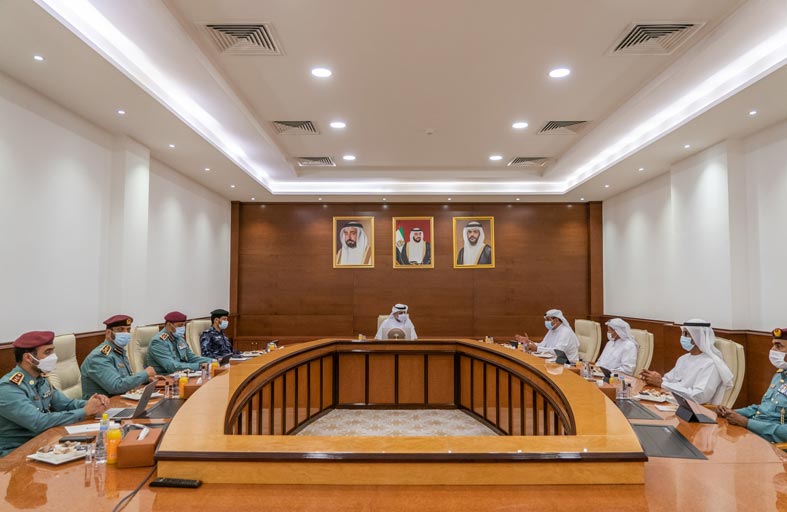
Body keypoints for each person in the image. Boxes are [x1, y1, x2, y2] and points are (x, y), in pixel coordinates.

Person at [0, 331, 108, 456]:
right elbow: (38, 422)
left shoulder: (41, 379)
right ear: (28, 358)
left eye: (53, 351)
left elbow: (66, 404)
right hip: (15, 453)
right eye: (47, 352)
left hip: (43, 443)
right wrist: (84, 411)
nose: (53, 357)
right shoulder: (9, 388)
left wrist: (94, 403)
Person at [717, 327, 787, 442]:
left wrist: (747, 423)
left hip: (773, 444)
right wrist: (731, 412)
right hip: (755, 434)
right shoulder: (780, 375)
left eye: (778, 346)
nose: (772, 350)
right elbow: (764, 408)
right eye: (773, 345)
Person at [640, 319, 733, 405]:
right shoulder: (683, 358)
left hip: (694, 409)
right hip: (673, 401)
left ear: (698, 337)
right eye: (682, 333)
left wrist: (662, 384)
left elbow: (699, 396)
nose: (682, 338)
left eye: (686, 334)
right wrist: (652, 379)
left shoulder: (711, 364)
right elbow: (669, 379)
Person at [81, 315, 157, 398]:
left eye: (128, 330)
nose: (125, 333)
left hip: (119, 401)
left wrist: (146, 379)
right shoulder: (99, 356)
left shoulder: (118, 351)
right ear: (108, 333)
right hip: (103, 405)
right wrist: (145, 374)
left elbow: (125, 379)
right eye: (120, 330)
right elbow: (116, 386)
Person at [147, 311, 212, 374]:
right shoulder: (158, 341)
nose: (183, 328)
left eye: (184, 325)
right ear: (169, 325)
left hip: (180, 374)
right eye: (180, 325)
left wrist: (212, 361)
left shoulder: (179, 338)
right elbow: (171, 366)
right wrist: (199, 366)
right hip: (164, 377)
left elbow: (191, 357)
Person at [515, 309, 579, 362]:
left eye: (548, 319)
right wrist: (529, 342)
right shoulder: (552, 330)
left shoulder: (565, 332)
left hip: (568, 364)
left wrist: (537, 348)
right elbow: (543, 345)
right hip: (554, 361)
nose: (546, 322)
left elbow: (558, 351)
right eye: (545, 320)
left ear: (556, 320)